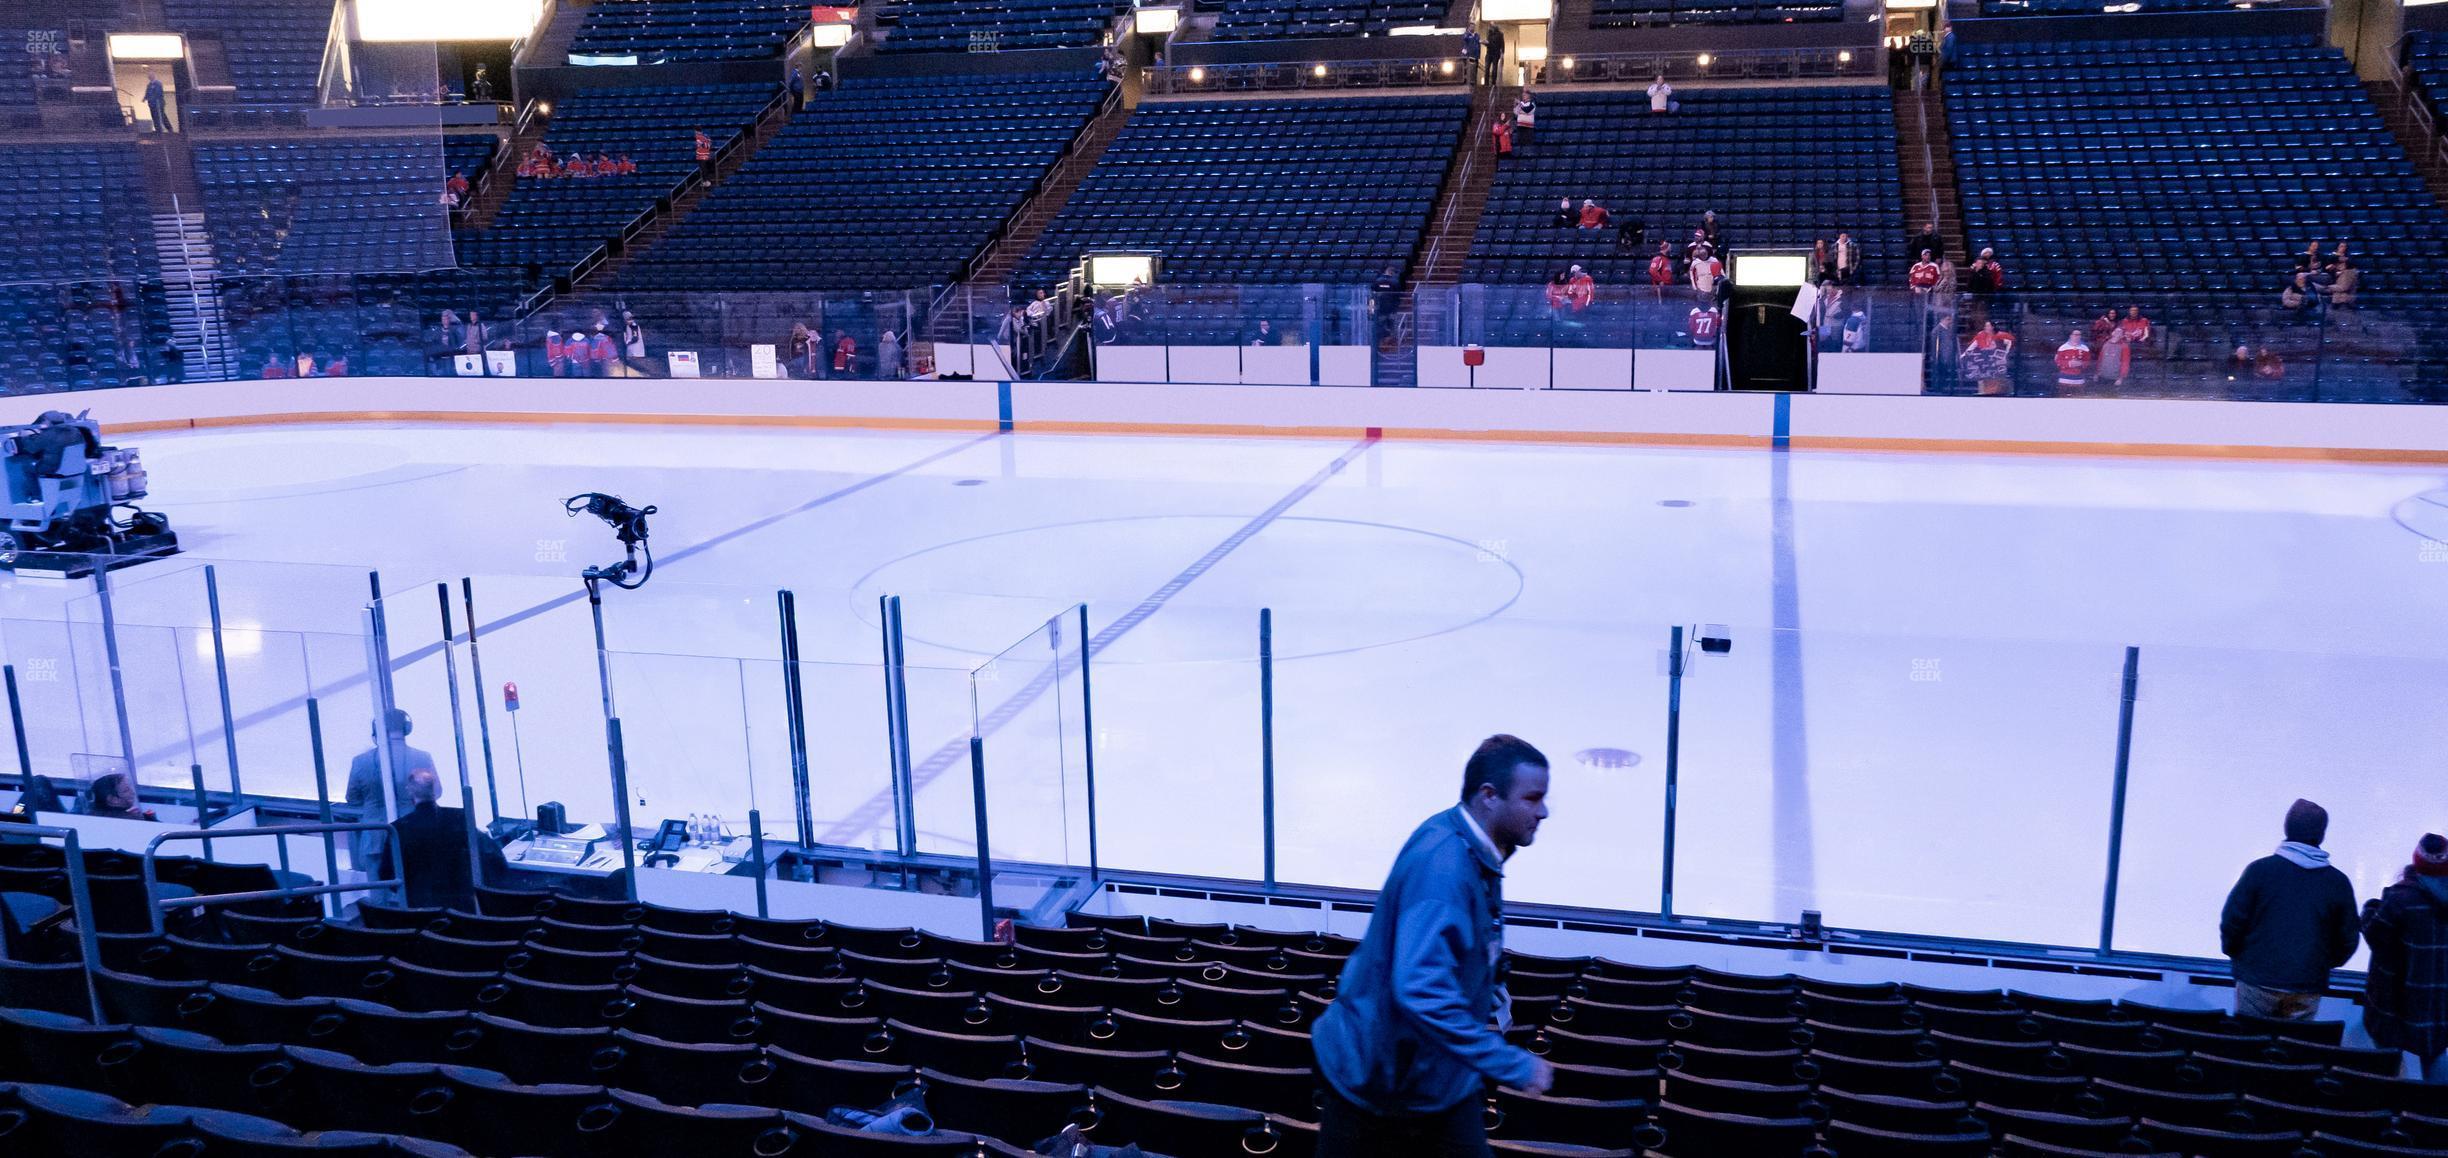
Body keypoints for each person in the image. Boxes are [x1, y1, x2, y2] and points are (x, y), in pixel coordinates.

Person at [1311, 736, 1556, 1157]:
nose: (1543, 811)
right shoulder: (1444, 868)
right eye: (1533, 798)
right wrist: (1510, 1063)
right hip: (1378, 1081)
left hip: (1432, 1075)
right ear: (1489, 796)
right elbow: (1420, 989)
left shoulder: (1467, 841)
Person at [2220, 799, 2361, 1021]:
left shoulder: (2260, 871)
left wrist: (2241, 958)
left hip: (2256, 979)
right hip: (2307, 984)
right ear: (2321, 835)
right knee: (2293, 1050)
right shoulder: (2338, 883)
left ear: (2287, 827)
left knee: (2249, 1048)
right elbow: (2348, 939)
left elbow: (2232, 922)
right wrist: (2318, 965)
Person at [2362, 834, 2448, 1084]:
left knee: (2388, 1063)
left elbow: (2375, 935)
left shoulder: (2400, 899)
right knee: (2436, 1057)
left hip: (2392, 1007)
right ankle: (2432, 1116)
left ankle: (2394, 1108)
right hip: (2438, 1009)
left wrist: (2370, 908)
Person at [372, 769, 509, 911]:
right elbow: (493, 856)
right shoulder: (460, 818)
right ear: (435, 790)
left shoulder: (398, 829)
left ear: (410, 791)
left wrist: (412, 893)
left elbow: (387, 874)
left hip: (421, 909)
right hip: (462, 906)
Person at [347, 709, 438, 869]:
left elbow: (352, 798)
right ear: (407, 728)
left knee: (379, 891)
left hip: (374, 837)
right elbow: (436, 792)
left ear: (377, 730)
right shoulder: (422, 757)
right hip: (413, 832)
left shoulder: (360, 761)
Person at [82, 772, 156, 822]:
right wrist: (149, 819)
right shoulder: (131, 819)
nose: (133, 793)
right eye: (126, 790)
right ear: (113, 799)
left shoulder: (89, 816)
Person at [2111, 306, 2150, 385]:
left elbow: (2146, 334)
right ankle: (2121, 377)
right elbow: (2119, 333)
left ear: (2138, 311)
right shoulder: (2124, 321)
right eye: (2132, 310)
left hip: (2140, 344)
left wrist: (2143, 338)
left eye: (2135, 310)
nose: (2134, 312)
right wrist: (2125, 337)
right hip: (2126, 344)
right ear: (2129, 311)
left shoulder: (2144, 320)